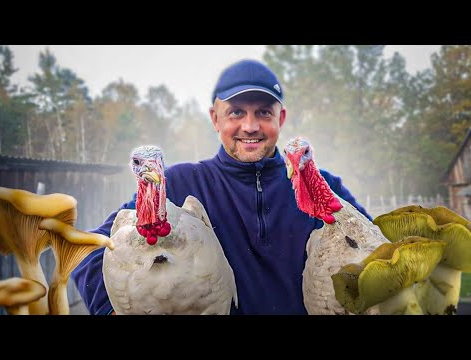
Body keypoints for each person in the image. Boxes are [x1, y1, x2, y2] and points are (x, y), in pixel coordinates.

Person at [71, 59, 372, 315]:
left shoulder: (321, 189)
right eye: (236, 112)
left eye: (264, 112)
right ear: (215, 119)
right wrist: (111, 308)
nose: (250, 126)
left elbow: (375, 254)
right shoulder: (179, 185)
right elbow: (86, 250)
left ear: (280, 118)